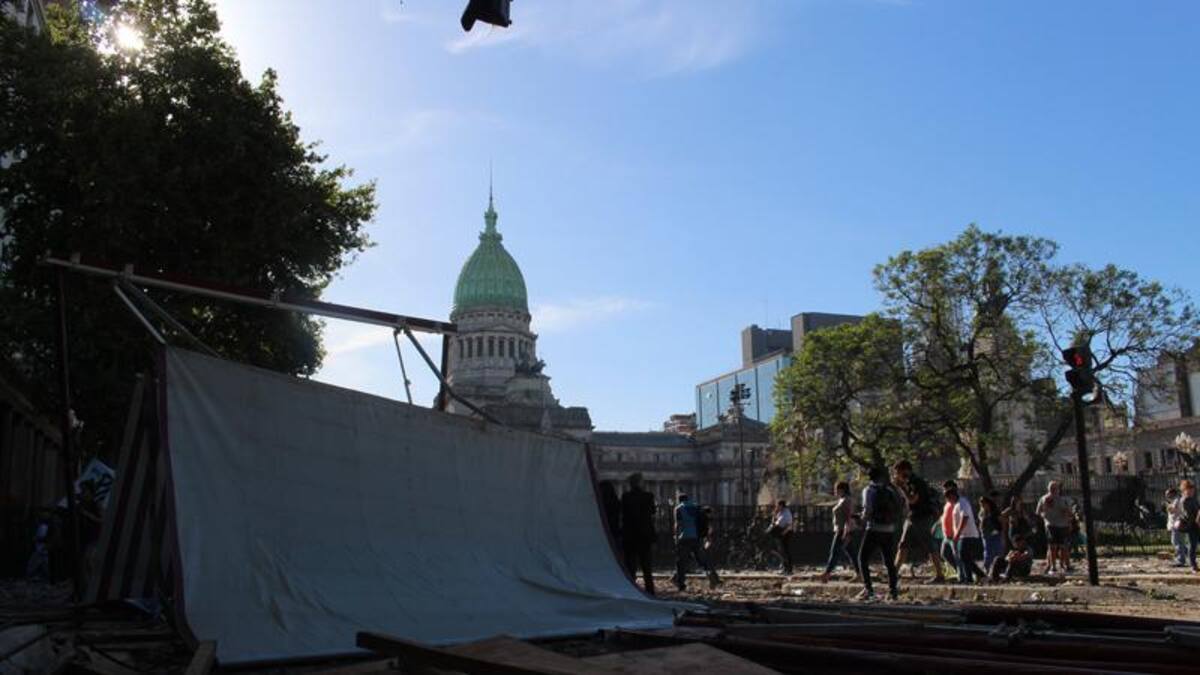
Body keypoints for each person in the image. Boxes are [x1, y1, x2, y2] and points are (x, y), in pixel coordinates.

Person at [892, 460, 945, 583]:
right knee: (903, 545)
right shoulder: (909, 482)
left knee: (929, 545)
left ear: (905, 470)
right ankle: (893, 573)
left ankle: (939, 574)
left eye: (898, 472)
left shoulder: (916, 482)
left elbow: (913, 500)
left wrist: (901, 488)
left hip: (922, 517)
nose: (897, 475)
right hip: (912, 516)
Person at [857, 466, 902, 601]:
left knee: (862, 558)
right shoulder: (889, 490)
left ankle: (868, 589)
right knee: (889, 561)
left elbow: (868, 509)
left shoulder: (868, 490)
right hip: (889, 529)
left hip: (874, 528)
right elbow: (900, 506)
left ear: (869, 477)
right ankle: (893, 591)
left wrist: (861, 520)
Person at [672, 493, 720, 591]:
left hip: (684, 537)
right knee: (701, 560)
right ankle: (713, 577)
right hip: (697, 537)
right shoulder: (697, 507)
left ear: (679, 500)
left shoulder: (678, 509)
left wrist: (676, 538)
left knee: (681, 561)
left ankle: (681, 584)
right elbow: (704, 523)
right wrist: (706, 537)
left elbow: (678, 525)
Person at [620, 473, 657, 595]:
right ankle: (650, 591)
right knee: (647, 566)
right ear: (640, 482)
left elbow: (623, 513)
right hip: (645, 534)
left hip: (630, 534)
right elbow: (653, 511)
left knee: (630, 567)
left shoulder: (625, 497)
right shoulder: (648, 496)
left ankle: (631, 590)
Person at [819, 481, 858, 583]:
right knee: (852, 553)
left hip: (844, 530)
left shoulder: (847, 500)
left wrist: (847, 531)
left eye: (837, 489)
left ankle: (826, 574)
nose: (835, 491)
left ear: (842, 489)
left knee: (835, 552)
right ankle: (860, 573)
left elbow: (848, 517)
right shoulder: (842, 500)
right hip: (842, 529)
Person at [948, 486, 986, 584]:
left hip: (968, 535)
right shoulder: (958, 504)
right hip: (964, 535)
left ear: (952, 496)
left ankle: (981, 575)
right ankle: (968, 578)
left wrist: (957, 533)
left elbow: (965, 517)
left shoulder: (962, 503)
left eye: (948, 498)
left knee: (964, 556)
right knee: (965, 558)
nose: (948, 501)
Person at [1036, 480, 1074, 576]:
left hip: (1063, 524)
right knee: (1052, 546)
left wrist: (1067, 514)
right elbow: (1038, 511)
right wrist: (1044, 515)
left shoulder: (1063, 499)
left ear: (1058, 489)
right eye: (1051, 488)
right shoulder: (1044, 499)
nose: (1053, 490)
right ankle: (1053, 566)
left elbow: (1070, 513)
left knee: (1064, 546)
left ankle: (1066, 564)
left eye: (1055, 488)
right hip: (1051, 524)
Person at [978, 495, 1004, 573]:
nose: (983, 506)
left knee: (997, 551)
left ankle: (998, 569)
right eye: (981, 504)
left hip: (996, 534)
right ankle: (987, 568)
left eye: (984, 504)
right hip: (987, 535)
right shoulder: (982, 513)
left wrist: (1001, 532)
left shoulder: (995, 511)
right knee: (988, 552)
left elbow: (1001, 521)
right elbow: (981, 524)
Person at [1178, 480, 1200, 572]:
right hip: (1191, 526)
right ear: (1184, 490)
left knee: (1193, 545)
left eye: (1192, 489)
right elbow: (1187, 514)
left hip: (1197, 524)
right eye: (1189, 489)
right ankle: (1193, 565)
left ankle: (1193, 564)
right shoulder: (1184, 500)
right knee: (1192, 545)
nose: (1191, 491)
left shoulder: (1194, 499)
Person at [769, 500, 795, 575]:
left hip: (786, 533)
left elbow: (789, 525)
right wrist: (774, 514)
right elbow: (775, 522)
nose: (776, 507)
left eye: (778, 505)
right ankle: (784, 568)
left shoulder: (787, 513)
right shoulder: (780, 513)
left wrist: (783, 533)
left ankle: (789, 569)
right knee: (781, 552)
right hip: (780, 533)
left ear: (781, 505)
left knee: (785, 551)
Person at [1165, 488, 1187, 567]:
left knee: (1176, 542)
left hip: (1177, 523)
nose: (1166, 496)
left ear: (1172, 493)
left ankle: (1180, 560)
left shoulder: (1176, 500)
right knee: (1180, 542)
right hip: (1177, 523)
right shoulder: (1176, 500)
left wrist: (1168, 506)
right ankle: (1186, 553)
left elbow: (1172, 510)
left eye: (1167, 494)